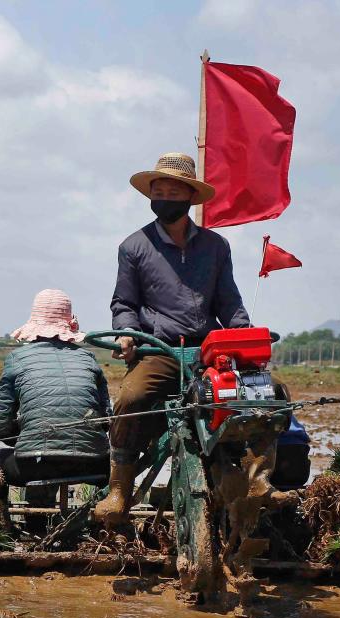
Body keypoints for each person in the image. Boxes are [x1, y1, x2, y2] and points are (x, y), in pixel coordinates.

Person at [94, 152, 251, 525]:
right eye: (158, 190)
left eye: (172, 190)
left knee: (259, 396)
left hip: (207, 349)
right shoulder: (134, 246)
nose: (164, 195)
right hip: (159, 349)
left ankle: (253, 478)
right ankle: (119, 488)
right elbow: (124, 302)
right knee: (132, 398)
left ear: (188, 197)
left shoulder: (215, 247)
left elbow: (229, 301)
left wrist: (243, 332)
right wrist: (127, 335)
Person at [0, 289, 112, 503]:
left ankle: (3, 526)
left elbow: (1, 427)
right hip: (90, 463)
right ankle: (104, 523)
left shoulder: (17, 359)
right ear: (69, 322)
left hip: (35, 466)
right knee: (119, 465)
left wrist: (30, 435)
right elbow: (106, 420)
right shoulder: (88, 359)